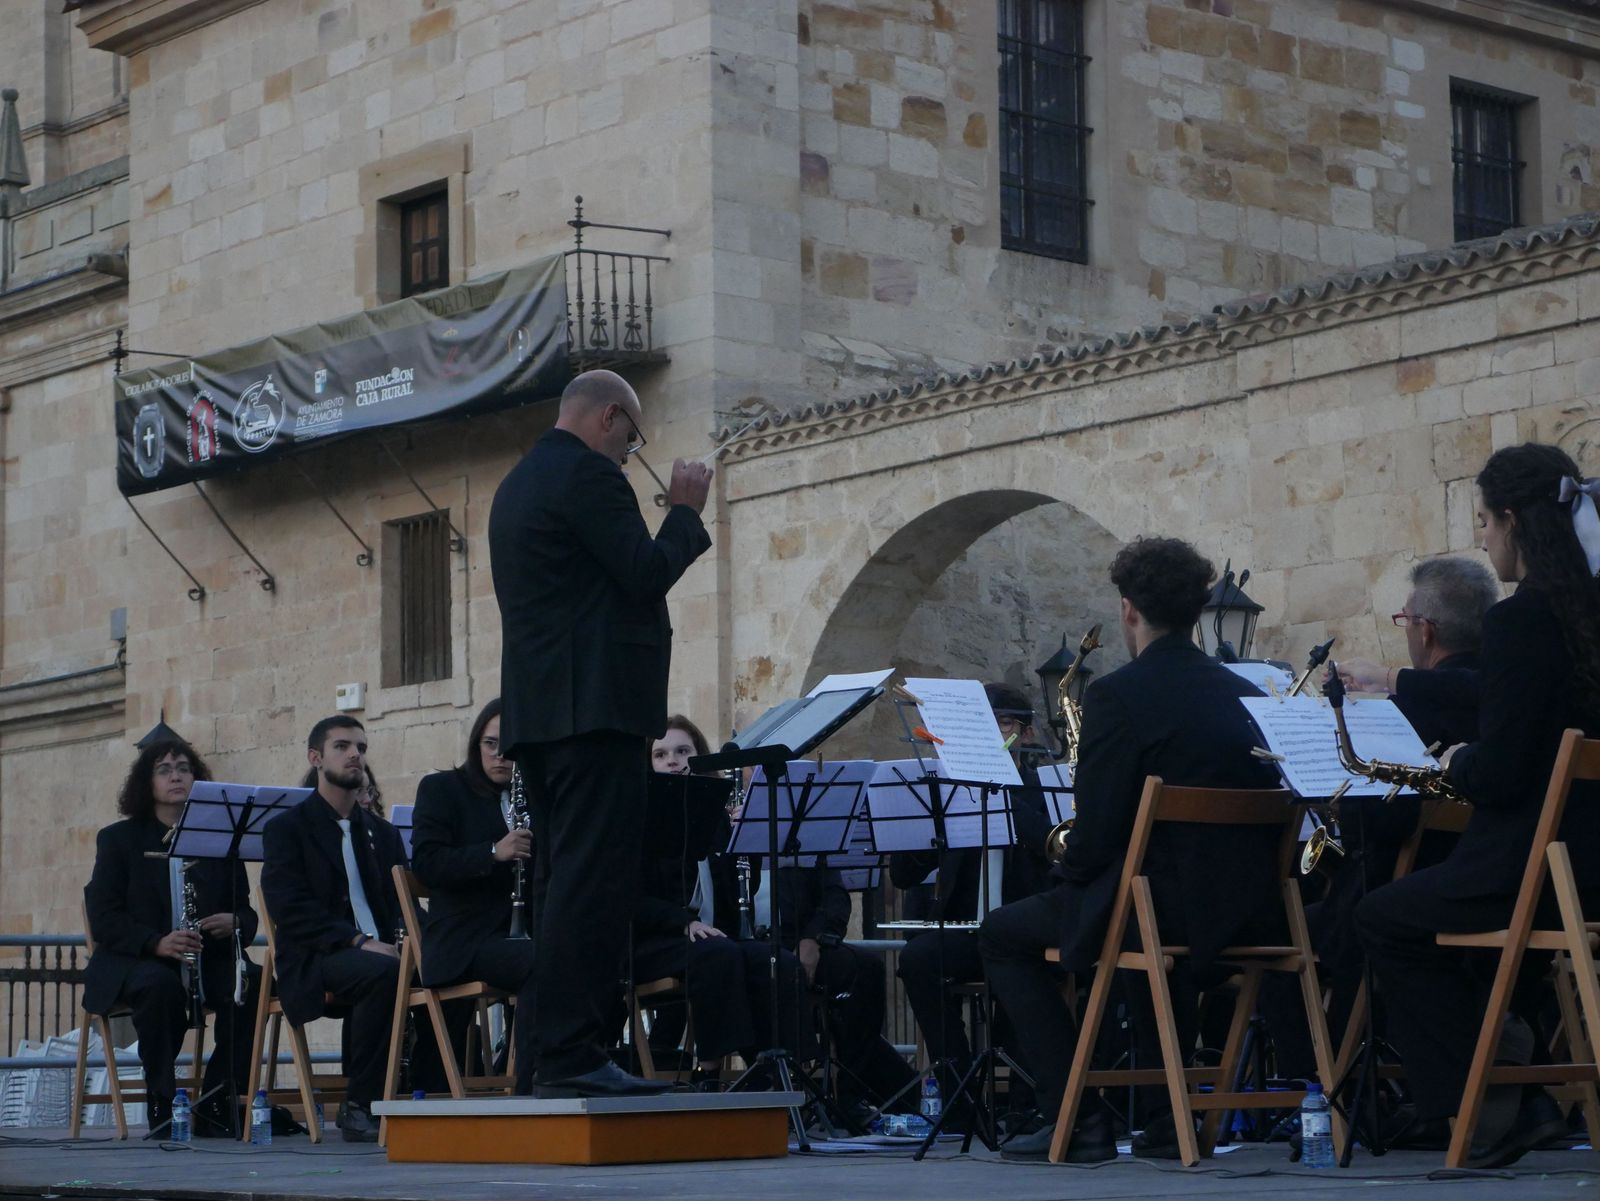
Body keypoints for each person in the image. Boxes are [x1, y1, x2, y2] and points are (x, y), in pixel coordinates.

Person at [978, 537, 1281, 1161]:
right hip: (1254, 907)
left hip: (1161, 912)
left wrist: (1067, 860)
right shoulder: (1247, 692)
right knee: (1136, 920)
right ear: (1197, 609)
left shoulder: (1117, 695)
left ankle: (1077, 1116)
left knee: (1004, 934)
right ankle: (1169, 1120)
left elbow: (1098, 836)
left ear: (1127, 611)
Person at [1357, 443, 1600, 1168]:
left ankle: (1495, 1104)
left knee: (1384, 916)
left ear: (1514, 520)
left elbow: (1501, 771)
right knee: (1439, 917)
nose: (1484, 539)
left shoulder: (1522, 621)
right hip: (1590, 864)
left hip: (1532, 865)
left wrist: (1459, 761)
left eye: (1486, 523)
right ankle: (1514, 1065)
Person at [488, 368, 712, 1098]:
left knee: (562, 885)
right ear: (609, 418)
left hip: (542, 719)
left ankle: (546, 1055)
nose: (629, 451)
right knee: (592, 886)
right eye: (631, 435)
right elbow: (643, 573)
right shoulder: (588, 476)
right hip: (596, 715)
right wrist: (683, 512)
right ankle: (575, 1052)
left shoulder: (516, 484)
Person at [83, 735, 260, 1138]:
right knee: (160, 987)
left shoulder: (220, 842)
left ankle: (217, 1096)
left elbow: (247, 912)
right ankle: (162, 1099)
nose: (176, 776)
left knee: (251, 984)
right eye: (164, 770)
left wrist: (235, 921)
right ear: (146, 782)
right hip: (138, 960)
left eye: (184, 769)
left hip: (206, 957)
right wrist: (156, 943)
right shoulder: (118, 840)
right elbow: (104, 917)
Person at [889, 683, 1052, 1110]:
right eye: (981, 723)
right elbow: (904, 874)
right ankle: (957, 1086)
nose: (989, 732)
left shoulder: (1041, 790)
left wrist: (999, 788)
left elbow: (1051, 848)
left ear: (1025, 733)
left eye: (1001, 722)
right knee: (918, 959)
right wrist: (925, 818)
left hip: (1027, 934)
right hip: (967, 931)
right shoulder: (950, 792)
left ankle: (1024, 1103)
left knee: (1027, 969)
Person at [631, 715, 815, 1089]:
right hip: (650, 940)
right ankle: (709, 1071)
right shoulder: (636, 817)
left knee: (775, 959)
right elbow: (627, 896)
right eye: (661, 754)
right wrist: (681, 922)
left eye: (683, 751)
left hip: (710, 938)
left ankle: (783, 1070)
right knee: (718, 954)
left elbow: (734, 900)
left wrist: (743, 845)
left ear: (700, 758)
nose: (673, 761)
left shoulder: (715, 816)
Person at [261, 717, 408, 1141]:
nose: (354, 754)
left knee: (446, 965)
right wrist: (358, 940)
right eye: (342, 746)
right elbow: (289, 908)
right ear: (315, 758)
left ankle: (432, 1094)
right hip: (317, 958)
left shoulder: (381, 833)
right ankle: (360, 1104)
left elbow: (403, 905)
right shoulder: (287, 829)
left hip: (378, 952)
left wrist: (418, 939)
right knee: (381, 972)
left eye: (360, 746)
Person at [409, 698, 539, 1092]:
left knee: (574, 955)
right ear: (476, 744)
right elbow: (427, 864)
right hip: (465, 938)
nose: (500, 757)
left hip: (517, 933)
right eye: (491, 744)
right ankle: (532, 1084)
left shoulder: (534, 798)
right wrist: (492, 853)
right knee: (543, 962)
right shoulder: (443, 789)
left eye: (510, 748)